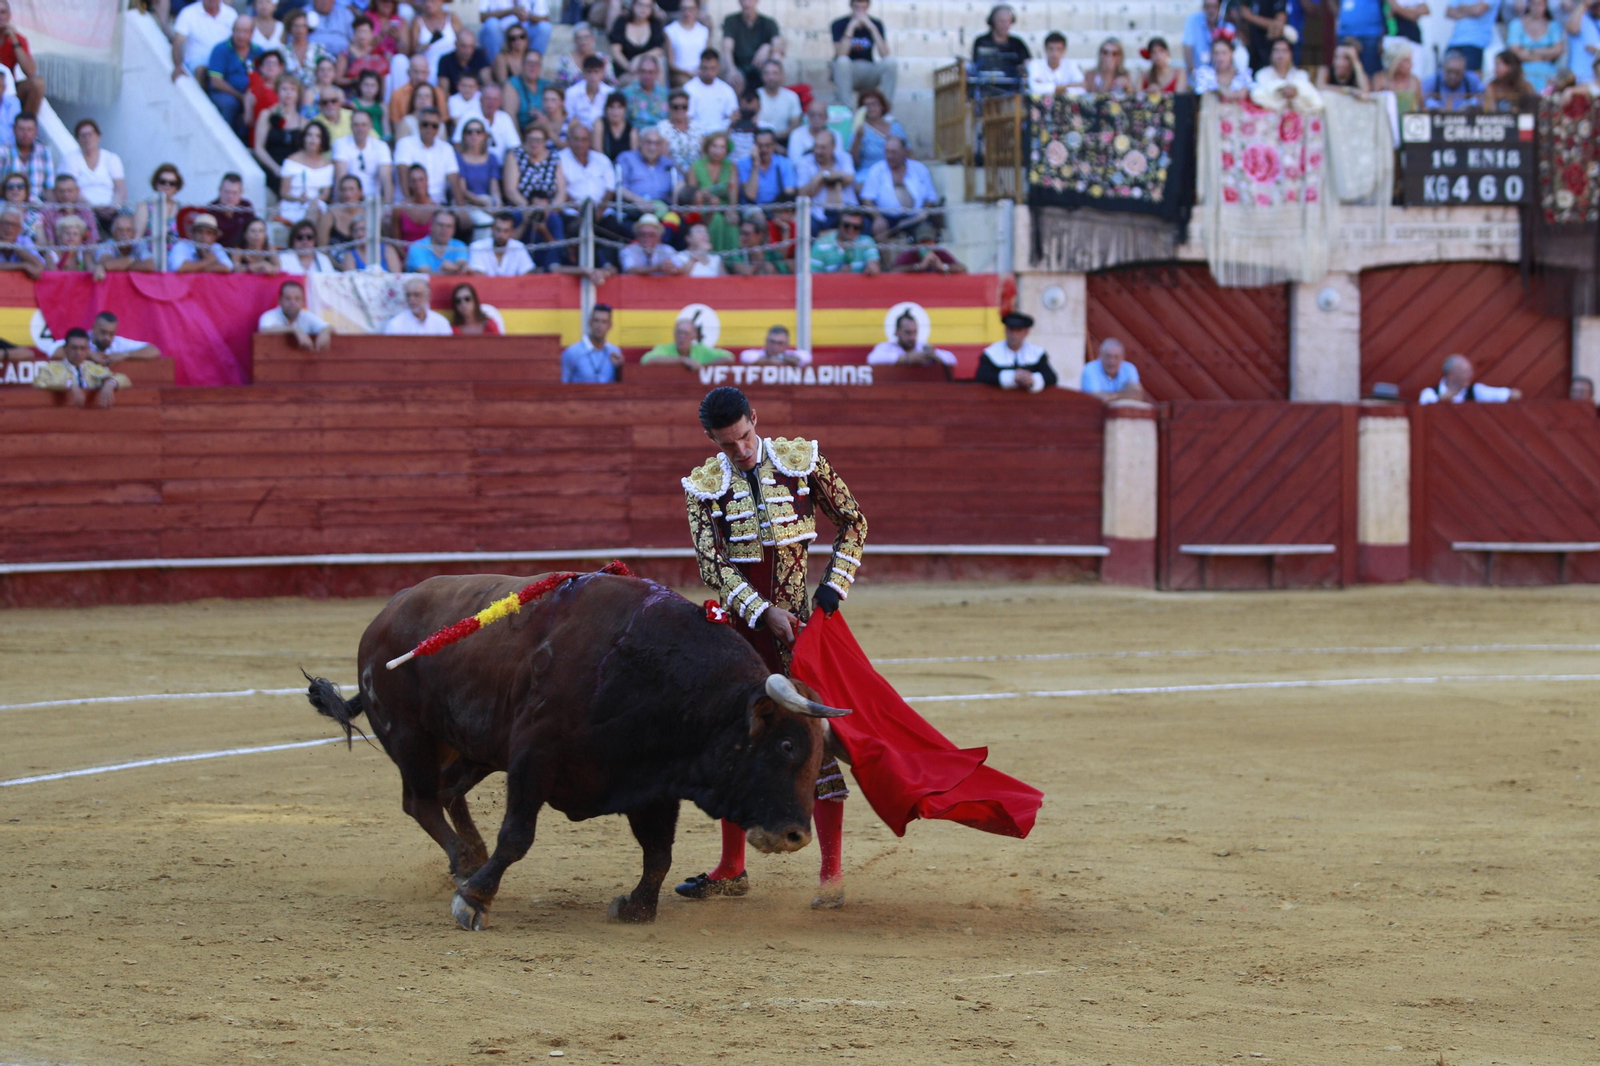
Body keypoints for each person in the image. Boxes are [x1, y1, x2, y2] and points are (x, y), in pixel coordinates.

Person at [676, 385, 866, 908]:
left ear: (754, 419)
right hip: (743, 637)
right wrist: (763, 612)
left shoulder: (802, 461)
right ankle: (731, 868)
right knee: (738, 744)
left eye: (744, 436)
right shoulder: (703, 486)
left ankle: (831, 876)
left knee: (818, 744)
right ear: (711, 439)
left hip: (803, 632)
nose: (739, 450)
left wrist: (832, 589)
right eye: (727, 443)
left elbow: (854, 522)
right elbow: (713, 565)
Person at [503, 124, 567, 262]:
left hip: (548, 209)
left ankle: (554, 263)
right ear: (525, 140)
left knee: (555, 221)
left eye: (538, 140)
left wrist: (549, 209)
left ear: (545, 142)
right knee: (518, 219)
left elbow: (561, 191)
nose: (534, 143)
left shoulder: (554, 157)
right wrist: (530, 208)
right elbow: (510, 190)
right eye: (530, 139)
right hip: (521, 207)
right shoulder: (515, 155)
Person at [856, 135, 937, 239]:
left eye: (893, 152)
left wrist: (924, 212)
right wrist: (877, 218)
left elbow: (931, 197)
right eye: (887, 152)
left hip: (916, 218)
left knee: (926, 231)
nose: (889, 156)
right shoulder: (876, 170)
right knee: (871, 227)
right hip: (886, 217)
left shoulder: (919, 169)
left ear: (904, 152)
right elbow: (867, 199)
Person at [34, 329, 129, 409]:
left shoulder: (94, 368)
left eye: (82, 348)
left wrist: (110, 383)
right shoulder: (50, 368)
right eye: (74, 348)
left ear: (88, 350)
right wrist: (70, 385)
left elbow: (124, 379)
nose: (78, 353)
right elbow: (40, 382)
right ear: (65, 349)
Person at [199, 14, 259, 136]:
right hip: (224, 92)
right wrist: (240, 96)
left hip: (250, 93)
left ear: (252, 33)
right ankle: (224, 137)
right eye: (238, 31)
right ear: (232, 31)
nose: (241, 35)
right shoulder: (221, 49)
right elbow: (216, 81)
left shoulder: (258, 51)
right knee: (230, 104)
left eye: (245, 31)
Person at [831, 0, 893, 107]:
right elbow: (840, 54)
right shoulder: (838, 24)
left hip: (869, 70)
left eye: (863, 8)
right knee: (842, 61)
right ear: (851, 6)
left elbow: (885, 54)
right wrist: (850, 28)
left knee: (891, 62)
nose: (860, 11)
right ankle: (847, 108)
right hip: (848, 71)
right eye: (857, 7)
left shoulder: (876, 24)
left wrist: (873, 29)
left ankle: (885, 108)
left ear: (868, 7)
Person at [977, 311, 1058, 392]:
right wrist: (1011, 377)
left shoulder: (1036, 353)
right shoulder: (991, 353)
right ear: (1005, 330)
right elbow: (981, 377)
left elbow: (1051, 377)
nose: (1014, 335)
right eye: (1011, 330)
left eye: (1019, 330)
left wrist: (1032, 379)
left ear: (1026, 332)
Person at [794, 128, 856, 232]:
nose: (818, 151)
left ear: (833, 147)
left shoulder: (844, 157)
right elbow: (802, 193)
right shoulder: (804, 162)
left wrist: (823, 176)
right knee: (806, 227)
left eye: (823, 148)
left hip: (845, 210)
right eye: (816, 146)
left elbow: (849, 179)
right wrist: (830, 177)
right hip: (816, 212)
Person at [395, 108, 461, 205]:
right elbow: (403, 173)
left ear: (439, 128)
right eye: (425, 124)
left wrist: (461, 207)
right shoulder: (405, 143)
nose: (429, 129)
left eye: (434, 126)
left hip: (438, 203)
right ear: (418, 125)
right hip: (410, 202)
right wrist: (409, 202)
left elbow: (454, 180)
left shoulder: (447, 148)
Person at [686, 130, 739, 250]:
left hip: (724, 207)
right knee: (716, 220)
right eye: (714, 146)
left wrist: (732, 210)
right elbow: (692, 195)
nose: (717, 151)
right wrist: (706, 197)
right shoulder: (696, 166)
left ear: (726, 150)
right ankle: (712, 255)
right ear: (707, 147)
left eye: (722, 147)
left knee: (732, 221)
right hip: (703, 207)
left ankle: (731, 257)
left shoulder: (730, 166)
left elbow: (733, 192)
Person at [62, 119, 126, 219]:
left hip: (111, 209)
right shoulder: (71, 159)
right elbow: (70, 190)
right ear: (77, 139)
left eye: (90, 134)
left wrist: (113, 207)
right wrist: (94, 208)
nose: (87, 139)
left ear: (98, 136)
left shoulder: (112, 158)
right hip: (83, 209)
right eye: (83, 135)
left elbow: (120, 189)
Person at [279, 119, 335, 225]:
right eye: (309, 135)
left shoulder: (328, 165)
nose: (313, 139)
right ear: (304, 138)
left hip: (316, 204)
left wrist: (312, 200)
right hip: (293, 205)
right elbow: (284, 192)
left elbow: (325, 194)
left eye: (317, 136)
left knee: (321, 212)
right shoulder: (291, 161)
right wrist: (299, 198)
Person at [722, 0, 784, 92]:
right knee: (735, 80)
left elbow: (779, 45)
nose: (747, 3)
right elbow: (727, 48)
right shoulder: (731, 20)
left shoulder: (769, 22)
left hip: (761, 66)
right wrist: (731, 69)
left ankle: (777, 96)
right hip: (740, 65)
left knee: (776, 56)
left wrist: (768, 47)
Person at [615, 127, 675, 222]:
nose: (652, 147)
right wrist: (638, 200)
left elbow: (679, 184)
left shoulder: (667, 163)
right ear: (640, 142)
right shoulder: (627, 158)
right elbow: (619, 187)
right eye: (648, 142)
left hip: (663, 213)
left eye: (657, 143)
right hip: (634, 212)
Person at [332, 108, 393, 200]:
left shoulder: (381, 146)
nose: (360, 129)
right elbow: (340, 178)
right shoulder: (340, 144)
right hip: (349, 198)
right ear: (351, 126)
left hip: (373, 199)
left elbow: (386, 180)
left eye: (364, 125)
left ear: (370, 126)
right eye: (356, 125)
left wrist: (388, 205)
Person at [257, 279, 331, 350]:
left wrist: (325, 332)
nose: (292, 302)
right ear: (280, 300)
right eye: (288, 298)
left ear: (303, 302)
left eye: (297, 299)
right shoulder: (269, 316)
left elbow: (328, 327)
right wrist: (294, 329)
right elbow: (265, 330)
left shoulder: (307, 316)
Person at [1508, 0, 1566, 91]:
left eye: (1540, 4)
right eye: (1534, 4)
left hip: (1547, 71)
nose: (1537, 8)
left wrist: (1531, 51)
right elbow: (1514, 51)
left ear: (1545, 5)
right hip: (1523, 70)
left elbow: (1558, 49)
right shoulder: (1516, 24)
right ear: (1529, 5)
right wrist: (1546, 54)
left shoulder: (1553, 25)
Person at [171, 0, 238, 79]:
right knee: (202, 71)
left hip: (224, 60)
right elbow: (177, 43)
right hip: (198, 61)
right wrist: (178, 66)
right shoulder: (188, 13)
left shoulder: (231, 14)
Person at [1251, 37, 1324, 108]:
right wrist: (1279, 90)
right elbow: (1258, 97)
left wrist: (1296, 91)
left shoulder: (1301, 75)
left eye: (1284, 51)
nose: (1280, 55)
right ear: (1271, 54)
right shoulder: (1262, 74)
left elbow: (1314, 101)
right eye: (1276, 51)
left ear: (1291, 54)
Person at [972, 4, 1030, 91]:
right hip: (986, 87)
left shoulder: (1017, 43)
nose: (1005, 25)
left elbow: (1027, 62)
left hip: (1012, 88)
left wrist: (1023, 68)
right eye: (1001, 21)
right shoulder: (981, 41)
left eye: (1008, 21)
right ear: (992, 22)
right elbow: (976, 64)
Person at [1418, 354, 1522, 403]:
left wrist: (1511, 394)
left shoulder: (1476, 391)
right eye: (1465, 372)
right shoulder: (1429, 394)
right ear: (1451, 374)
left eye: (1470, 372)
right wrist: (1440, 402)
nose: (1470, 375)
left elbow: (1512, 395)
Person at [868, 308, 954, 366]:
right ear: (897, 332)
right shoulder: (886, 347)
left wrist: (934, 356)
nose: (912, 337)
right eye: (908, 332)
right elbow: (872, 359)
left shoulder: (922, 347)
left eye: (914, 332)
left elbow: (952, 359)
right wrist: (906, 359)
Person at [560, 303, 624, 383]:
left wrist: (619, 368)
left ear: (610, 325)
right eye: (596, 320)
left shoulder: (615, 352)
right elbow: (562, 384)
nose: (599, 325)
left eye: (604, 322)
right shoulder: (572, 352)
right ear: (590, 322)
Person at [0, 0, 42, 115]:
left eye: (3, 12)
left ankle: (25, 122)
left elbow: (30, 71)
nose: (0, 16)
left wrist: (14, 40)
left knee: (37, 83)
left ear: (9, 15)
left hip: (10, 88)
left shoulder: (18, 39)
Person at [738, 128, 797, 207]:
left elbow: (789, 192)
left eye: (767, 145)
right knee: (755, 213)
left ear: (774, 145)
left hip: (777, 206)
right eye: (760, 146)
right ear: (754, 146)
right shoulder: (743, 164)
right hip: (752, 207)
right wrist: (755, 165)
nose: (764, 149)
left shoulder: (785, 163)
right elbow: (751, 195)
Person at [609, 0, 666, 81]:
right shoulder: (621, 22)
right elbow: (615, 51)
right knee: (637, 80)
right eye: (640, 5)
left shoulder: (654, 23)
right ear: (633, 5)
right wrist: (629, 67)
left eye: (647, 6)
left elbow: (658, 49)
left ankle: (660, 89)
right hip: (626, 71)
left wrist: (639, 58)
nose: (643, 9)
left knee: (660, 61)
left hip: (647, 70)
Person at [849, 88, 905, 171]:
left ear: (882, 106)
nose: (871, 108)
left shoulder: (896, 127)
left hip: (895, 171)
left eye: (874, 104)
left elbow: (907, 152)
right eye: (867, 105)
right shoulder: (859, 130)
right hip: (868, 172)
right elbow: (852, 161)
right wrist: (858, 138)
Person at [641, 316, 734, 366]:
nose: (682, 337)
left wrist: (704, 368)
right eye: (679, 332)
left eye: (686, 334)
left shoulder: (701, 350)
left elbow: (729, 357)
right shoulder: (664, 349)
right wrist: (682, 360)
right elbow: (646, 360)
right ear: (674, 334)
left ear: (694, 336)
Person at [0, 112, 52, 200]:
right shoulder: (3, 152)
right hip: (7, 204)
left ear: (36, 131)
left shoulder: (44, 152)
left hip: (36, 205)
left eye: (29, 129)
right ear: (14, 129)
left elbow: (49, 187)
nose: (25, 134)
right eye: (21, 129)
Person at [809, 210, 879, 275]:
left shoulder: (867, 241)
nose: (851, 230)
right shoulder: (820, 246)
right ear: (838, 224)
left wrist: (872, 266)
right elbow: (813, 277)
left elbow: (873, 261)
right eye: (846, 226)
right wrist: (837, 276)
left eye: (856, 227)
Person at [684, 48, 739, 131]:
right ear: (700, 67)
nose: (709, 72)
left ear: (718, 68)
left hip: (720, 134)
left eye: (712, 68)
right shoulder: (688, 89)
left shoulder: (727, 90)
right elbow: (687, 118)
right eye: (705, 68)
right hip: (696, 133)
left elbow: (733, 116)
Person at [40, 175, 100, 249]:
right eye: (61, 191)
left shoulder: (86, 211)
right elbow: (50, 244)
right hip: (58, 253)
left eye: (70, 191)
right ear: (54, 192)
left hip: (84, 253)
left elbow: (93, 242)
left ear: (77, 191)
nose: (66, 195)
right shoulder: (47, 212)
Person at [411, 0, 466, 79]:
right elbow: (413, 50)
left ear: (442, 1)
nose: (428, 4)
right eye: (426, 1)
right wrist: (420, 48)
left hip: (451, 66)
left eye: (432, 1)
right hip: (427, 68)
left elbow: (464, 40)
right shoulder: (418, 22)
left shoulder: (452, 19)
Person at [469, 210, 535, 274]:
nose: (501, 235)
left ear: (512, 231)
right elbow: (478, 276)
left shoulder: (519, 247)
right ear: (492, 229)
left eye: (506, 231)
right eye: (498, 230)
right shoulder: (477, 247)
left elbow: (527, 273)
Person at [1080, 337, 1146, 400]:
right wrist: (1125, 393)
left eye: (1116, 357)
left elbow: (1138, 395)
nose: (1112, 361)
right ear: (1100, 356)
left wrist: (1111, 396)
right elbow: (1096, 398)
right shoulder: (1090, 369)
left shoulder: (1129, 368)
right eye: (1108, 356)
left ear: (1123, 358)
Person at [656, 88, 704, 175]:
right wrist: (684, 174)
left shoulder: (697, 127)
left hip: (697, 172)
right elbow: (665, 157)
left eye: (684, 107)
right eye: (676, 107)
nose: (680, 110)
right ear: (669, 107)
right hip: (672, 172)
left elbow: (703, 154)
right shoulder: (662, 128)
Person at [406, 208, 470, 273]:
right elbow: (426, 273)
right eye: (440, 225)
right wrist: (445, 270)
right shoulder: (417, 247)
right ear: (431, 226)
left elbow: (462, 263)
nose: (444, 229)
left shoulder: (459, 245)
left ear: (454, 229)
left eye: (449, 226)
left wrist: (461, 267)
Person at [87, 311, 161, 366]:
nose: (107, 337)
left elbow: (153, 350)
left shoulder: (117, 343)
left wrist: (124, 355)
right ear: (93, 328)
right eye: (103, 332)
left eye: (111, 334)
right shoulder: (83, 339)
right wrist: (88, 355)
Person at [168, 213, 234, 273]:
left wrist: (194, 268)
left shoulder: (216, 247)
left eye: (208, 233)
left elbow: (227, 267)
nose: (203, 236)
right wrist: (208, 261)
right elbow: (180, 268)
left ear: (214, 237)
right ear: (193, 234)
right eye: (200, 232)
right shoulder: (182, 245)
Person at [1183, 0, 1237, 74]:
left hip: (1219, 75)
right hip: (1198, 73)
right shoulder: (1193, 20)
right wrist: (1193, 72)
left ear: (1219, 8)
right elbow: (1187, 47)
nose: (1211, 10)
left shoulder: (1227, 26)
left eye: (1214, 7)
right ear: (1203, 8)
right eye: (1207, 7)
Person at [508, 50, 556, 133]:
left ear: (540, 67)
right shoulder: (512, 84)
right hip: (521, 133)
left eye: (536, 63)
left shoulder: (547, 85)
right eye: (529, 63)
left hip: (546, 132)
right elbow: (510, 117)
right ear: (522, 65)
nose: (532, 66)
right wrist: (519, 140)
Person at [888, 222, 966, 273]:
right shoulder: (910, 254)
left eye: (929, 241)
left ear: (935, 242)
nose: (926, 245)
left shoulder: (940, 253)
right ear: (915, 243)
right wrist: (918, 266)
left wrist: (943, 266)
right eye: (922, 242)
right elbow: (893, 272)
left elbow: (962, 269)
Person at [385, 277, 454, 335]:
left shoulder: (441, 322)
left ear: (428, 296)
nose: (411, 299)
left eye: (417, 295)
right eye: (408, 295)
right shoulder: (395, 324)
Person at [437, 27, 490, 99]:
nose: (468, 51)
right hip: (454, 100)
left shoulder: (480, 56)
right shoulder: (445, 60)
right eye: (463, 46)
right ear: (456, 44)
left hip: (477, 99)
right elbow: (444, 90)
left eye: (471, 46)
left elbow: (487, 82)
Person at [1444, 0, 1497, 72]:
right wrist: (1471, 11)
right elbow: (1449, 11)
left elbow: (1478, 10)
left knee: (1471, 76)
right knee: (1447, 74)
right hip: (1454, 41)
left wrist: (1461, 7)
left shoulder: (1461, 5)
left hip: (1476, 42)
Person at [1233, 0, 1287, 72]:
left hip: (1270, 50)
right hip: (1251, 49)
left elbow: (1279, 25)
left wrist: (1251, 17)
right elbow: (1242, 16)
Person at [665, 0, 710, 86]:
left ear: (697, 10)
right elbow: (671, 64)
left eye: (691, 9)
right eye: (684, 9)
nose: (687, 12)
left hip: (701, 74)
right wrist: (688, 72)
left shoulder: (704, 31)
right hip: (680, 75)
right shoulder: (670, 30)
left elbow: (707, 58)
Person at [725, 215, 789, 274]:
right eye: (741, 233)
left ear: (760, 235)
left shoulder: (773, 255)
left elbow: (784, 274)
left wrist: (761, 261)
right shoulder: (737, 254)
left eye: (746, 234)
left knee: (769, 267)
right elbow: (730, 262)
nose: (742, 238)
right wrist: (738, 267)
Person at [755, 59, 802, 139]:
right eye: (767, 73)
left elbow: (795, 124)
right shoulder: (756, 95)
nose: (771, 77)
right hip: (760, 141)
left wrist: (775, 139)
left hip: (785, 140)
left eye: (775, 73)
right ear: (762, 76)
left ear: (782, 75)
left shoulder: (792, 97)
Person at [1372, 39, 1423, 112]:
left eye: (1410, 60)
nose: (1411, 64)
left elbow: (1421, 108)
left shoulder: (1414, 81)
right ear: (1396, 62)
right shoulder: (1380, 79)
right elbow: (1374, 106)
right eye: (1406, 61)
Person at [566, 54, 612, 133]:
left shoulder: (610, 93)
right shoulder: (571, 93)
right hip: (578, 133)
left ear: (602, 73)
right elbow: (569, 117)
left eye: (596, 72)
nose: (593, 76)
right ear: (583, 73)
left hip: (602, 132)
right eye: (589, 72)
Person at [623, 54, 670, 129]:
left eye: (650, 72)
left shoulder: (665, 94)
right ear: (638, 72)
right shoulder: (627, 93)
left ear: (657, 73)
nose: (646, 76)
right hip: (636, 133)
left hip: (660, 133)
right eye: (643, 71)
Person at [388, 55, 433, 132]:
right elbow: (395, 125)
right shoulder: (397, 94)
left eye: (423, 72)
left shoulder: (438, 93)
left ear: (428, 73)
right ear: (408, 72)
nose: (419, 77)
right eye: (415, 72)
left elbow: (442, 124)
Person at [595, 90, 637, 161]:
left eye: (619, 107)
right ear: (606, 109)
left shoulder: (632, 130)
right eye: (611, 107)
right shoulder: (600, 124)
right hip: (603, 164)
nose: (615, 111)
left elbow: (633, 157)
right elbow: (597, 153)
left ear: (625, 109)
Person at [739, 323, 808, 365]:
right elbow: (746, 356)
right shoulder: (755, 354)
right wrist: (773, 360)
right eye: (772, 342)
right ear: (766, 341)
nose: (775, 346)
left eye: (780, 343)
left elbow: (806, 356)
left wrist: (780, 358)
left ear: (787, 344)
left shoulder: (792, 354)